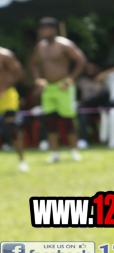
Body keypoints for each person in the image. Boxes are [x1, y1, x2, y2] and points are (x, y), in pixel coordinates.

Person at [30, 17, 86, 163]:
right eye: (41, 29)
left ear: (53, 30)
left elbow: (81, 60)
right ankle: (54, 153)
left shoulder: (64, 44)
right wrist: (38, 79)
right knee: (49, 121)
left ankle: (74, 151)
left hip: (63, 87)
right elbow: (34, 63)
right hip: (48, 88)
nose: (43, 32)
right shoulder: (40, 47)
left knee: (68, 120)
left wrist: (70, 79)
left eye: (45, 29)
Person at [0, 45, 28, 171]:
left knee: (11, 128)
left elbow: (19, 73)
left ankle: (22, 160)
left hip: (6, 95)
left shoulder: (5, 55)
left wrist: (3, 88)